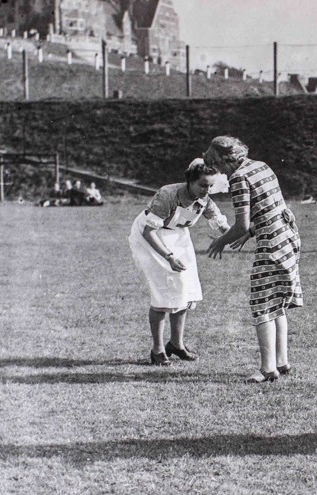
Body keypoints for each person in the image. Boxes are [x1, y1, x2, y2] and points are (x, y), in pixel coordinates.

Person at [204, 136, 303, 383]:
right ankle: (282, 361)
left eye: (219, 167)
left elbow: (240, 223)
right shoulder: (262, 165)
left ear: (225, 160)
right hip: (288, 237)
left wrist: (221, 241)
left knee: (261, 304)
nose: (221, 174)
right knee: (276, 303)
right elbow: (269, 208)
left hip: (271, 243)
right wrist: (249, 234)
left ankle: (268, 368)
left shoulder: (239, 178)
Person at [128, 159, 230, 366]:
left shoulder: (205, 201)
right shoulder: (168, 195)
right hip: (151, 238)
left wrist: (241, 235)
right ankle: (157, 351)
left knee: (185, 289)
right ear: (190, 181)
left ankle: (176, 344)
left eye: (210, 186)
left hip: (177, 237)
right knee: (163, 293)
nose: (207, 190)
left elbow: (222, 226)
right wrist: (169, 256)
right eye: (202, 185)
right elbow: (149, 231)